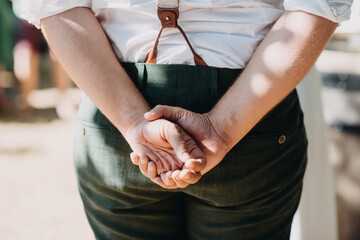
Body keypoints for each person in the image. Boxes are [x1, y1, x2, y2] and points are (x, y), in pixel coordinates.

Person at [19, 0, 352, 239]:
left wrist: (134, 122)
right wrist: (222, 129)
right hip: (250, 115)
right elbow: (317, 6)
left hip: (114, 108)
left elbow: (54, 6)